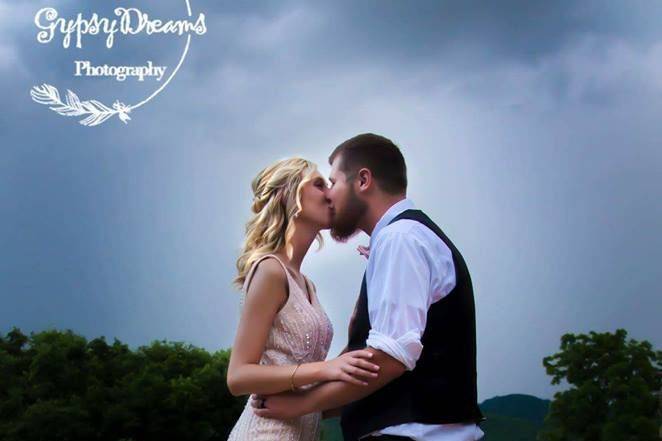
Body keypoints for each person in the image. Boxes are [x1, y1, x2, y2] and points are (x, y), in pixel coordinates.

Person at [251, 134, 486, 441]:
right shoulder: (402, 238)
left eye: (333, 182)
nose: (329, 196)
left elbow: (390, 358)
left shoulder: (400, 239)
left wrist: (302, 404)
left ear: (363, 180)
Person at [226, 157, 381, 441]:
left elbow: (313, 378)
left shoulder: (306, 284)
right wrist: (325, 369)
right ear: (291, 196)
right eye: (319, 184)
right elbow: (238, 377)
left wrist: (379, 276)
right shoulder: (270, 270)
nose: (330, 193)